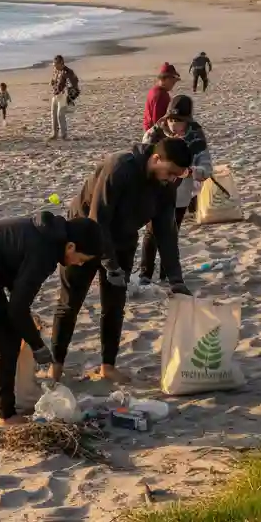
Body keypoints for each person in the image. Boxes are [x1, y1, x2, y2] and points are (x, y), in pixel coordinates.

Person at [50, 138, 193, 384]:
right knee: (70, 302)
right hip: (84, 237)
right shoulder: (119, 167)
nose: (172, 180)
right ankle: (55, 367)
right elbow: (98, 218)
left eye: (177, 176)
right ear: (156, 159)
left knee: (115, 304)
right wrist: (110, 264)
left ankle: (108, 365)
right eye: (170, 172)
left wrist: (176, 279)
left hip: (123, 239)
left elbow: (166, 233)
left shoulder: (166, 185)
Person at [0, 213, 103, 426]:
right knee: (7, 341)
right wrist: (38, 346)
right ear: (71, 247)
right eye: (81, 259)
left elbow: (17, 284)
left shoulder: (46, 234)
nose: (79, 264)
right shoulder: (46, 253)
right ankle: (5, 415)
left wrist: (26, 320)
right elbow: (16, 309)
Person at [139, 94, 212, 283]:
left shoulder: (195, 136)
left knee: (171, 233)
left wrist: (189, 172)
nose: (173, 125)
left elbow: (206, 168)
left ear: (187, 121)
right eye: (171, 120)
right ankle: (145, 274)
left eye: (178, 121)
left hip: (180, 194)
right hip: (156, 192)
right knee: (151, 232)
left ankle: (167, 274)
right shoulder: (155, 133)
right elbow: (144, 156)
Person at [143, 63, 181, 131]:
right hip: (155, 133)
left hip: (149, 130)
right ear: (164, 79)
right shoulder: (160, 95)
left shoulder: (154, 90)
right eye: (172, 82)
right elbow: (157, 121)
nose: (173, 85)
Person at [49, 55, 79, 141]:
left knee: (60, 115)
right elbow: (55, 81)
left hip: (63, 96)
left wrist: (71, 97)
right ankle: (54, 134)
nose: (54, 66)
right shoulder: (56, 70)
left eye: (56, 65)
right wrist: (53, 83)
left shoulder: (68, 72)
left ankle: (64, 135)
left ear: (61, 63)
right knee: (53, 114)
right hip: (56, 95)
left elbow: (75, 84)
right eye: (54, 65)